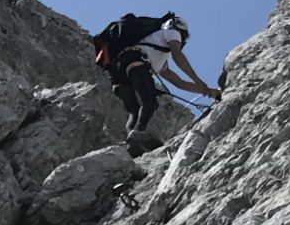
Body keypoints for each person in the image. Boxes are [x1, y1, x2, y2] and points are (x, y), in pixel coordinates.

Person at [94, 11, 220, 150]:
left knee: (134, 111)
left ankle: (133, 146)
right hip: (134, 60)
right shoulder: (172, 33)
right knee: (150, 101)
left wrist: (208, 91)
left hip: (117, 72)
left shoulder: (158, 55)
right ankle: (139, 133)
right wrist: (198, 80)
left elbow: (178, 83)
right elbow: (178, 56)